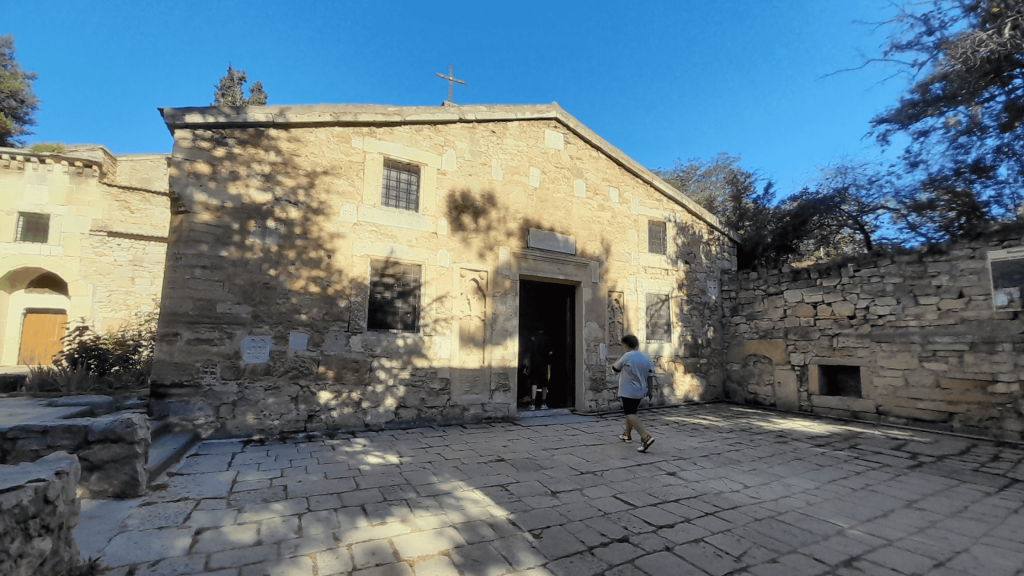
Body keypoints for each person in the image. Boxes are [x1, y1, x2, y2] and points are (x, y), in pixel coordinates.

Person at [611, 334, 656, 452]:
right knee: (631, 412)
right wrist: (650, 390)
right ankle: (627, 434)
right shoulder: (646, 357)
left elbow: (615, 369)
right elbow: (650, 376)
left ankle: (645, 437)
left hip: (628, 390)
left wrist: (613, 363)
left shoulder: (627, 356)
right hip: (641, 390)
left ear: (625, 346)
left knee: (630, 413)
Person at [522, 326, 553, 410]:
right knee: (544, 384)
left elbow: (528, 352)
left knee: (534, 383)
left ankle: (532, 404)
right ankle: (543, 403)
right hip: (544, 364)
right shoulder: (546, 338)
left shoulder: (532, 338)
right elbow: (550, 352)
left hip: (534, 363)